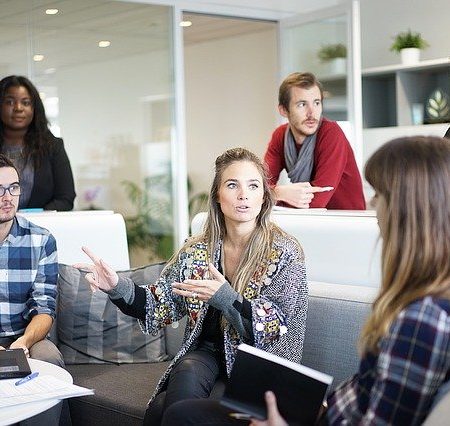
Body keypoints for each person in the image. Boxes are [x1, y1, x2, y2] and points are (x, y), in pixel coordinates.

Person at [75, 147, 308, 425]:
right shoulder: (198, 250)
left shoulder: (285, 252)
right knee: (185, 373)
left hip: (260, 364)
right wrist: (115, 286)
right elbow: (158, 304)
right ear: (217, 197)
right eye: (232, 185)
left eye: (253, 186)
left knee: (163, 408)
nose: (243, 194)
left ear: (263, 197)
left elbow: (274, 327)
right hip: (207, 353)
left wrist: (224, 297)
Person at [251, 136, 450, 426]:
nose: (371, 203)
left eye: (379, 193)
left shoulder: (422, 321)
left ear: (408, 208)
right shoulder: (420, 306)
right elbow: (369, 392)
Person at [0, 154, 65, 425]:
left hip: (22, 338)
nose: (8, 197)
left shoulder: (41, 240)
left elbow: (44, 306)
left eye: (13, 187)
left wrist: (23, 344)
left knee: (49, 359)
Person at [263, 72, 365, 210]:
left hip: (346, 221)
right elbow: (260, 187)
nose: (312, 112)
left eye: (316, 103)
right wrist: (279, 192)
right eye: (302, 104)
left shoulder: (331, 133)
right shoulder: (280, 136)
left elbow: (317, 201)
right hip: (309, 221)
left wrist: (274, 195)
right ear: (283, 110)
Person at [0, 75, 75, 211]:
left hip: (39, 228)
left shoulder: (52, 147)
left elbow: (65, 198)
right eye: (10, 102)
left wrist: (32, 219)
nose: (18, 108)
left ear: (35, 108)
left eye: (26, 102)